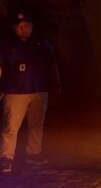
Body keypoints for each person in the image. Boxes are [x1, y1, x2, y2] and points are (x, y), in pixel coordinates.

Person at [0, 11, 61, 173]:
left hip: (39, 90)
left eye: (26, 26)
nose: (23, 29)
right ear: (14, 28)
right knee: (10, 126)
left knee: (36, 124)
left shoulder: (41, 44)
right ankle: (6, 157)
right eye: (19, 26)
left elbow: (51, 66)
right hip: (14, 91)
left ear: (32, 26)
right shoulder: (6, 45)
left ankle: (33, 153)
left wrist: (56, 84)